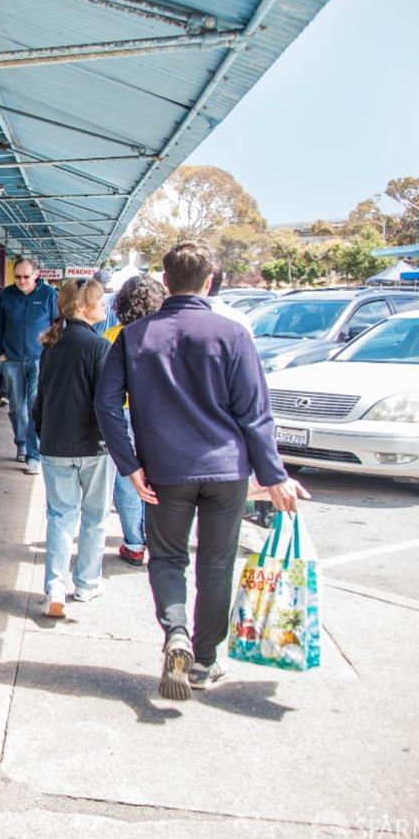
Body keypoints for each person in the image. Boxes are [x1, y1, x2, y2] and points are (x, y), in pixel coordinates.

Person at [95, 242, 307, 700]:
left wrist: (128, 464)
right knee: (216, 565)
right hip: (226, 471)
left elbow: (106, 404)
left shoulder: (134, 336)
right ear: (209, 282)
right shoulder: (231, 335)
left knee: (168, 559)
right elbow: (255, 413)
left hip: (164, 472)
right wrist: (273, 475)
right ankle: (205, 660)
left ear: (165, 281)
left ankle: (175, 635)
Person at [31, 279, 113, 618]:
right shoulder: (99, 347)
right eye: (100, 301)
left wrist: (41, 431)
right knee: (95, 518)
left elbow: (42, 396)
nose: (105, 307)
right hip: (94, 445)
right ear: (83, 306)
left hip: (54, 443)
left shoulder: (52, 345)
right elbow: (106, 404)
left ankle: (55, 585)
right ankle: (87, 583)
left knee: (60, 516)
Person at [103, 275, 167, 566]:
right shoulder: (165, 335)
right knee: (158, 476)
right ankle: (158, 539)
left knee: (128, 478)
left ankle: (134, 544)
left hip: (120, 414)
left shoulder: (111, 336)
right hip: (156, 414)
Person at [0, 258, 58, 476]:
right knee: (15, 407)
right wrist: (0, 351)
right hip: (11, 358)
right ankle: (21, 440)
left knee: (33, 406)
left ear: (36, 275)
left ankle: (33, 454)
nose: (21, 281)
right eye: (17, 277)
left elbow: (58, 324)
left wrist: (53, 352)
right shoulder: (6, 295)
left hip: (39, 358)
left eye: (26, 277)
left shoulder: (48, 295)